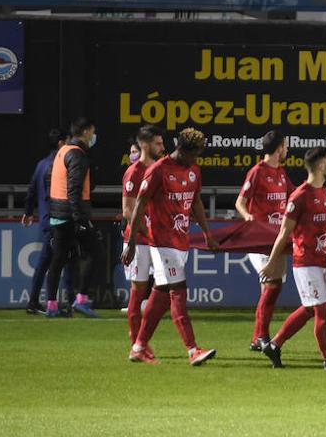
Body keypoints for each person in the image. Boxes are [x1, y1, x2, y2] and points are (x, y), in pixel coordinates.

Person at [257, 148, 326, 370]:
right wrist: (271, 262)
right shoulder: (299, 196)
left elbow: (324, 227)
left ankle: (274, 345)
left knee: (308, 308)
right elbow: (284, 234)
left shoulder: (323, 193)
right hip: (305, 262)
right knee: (322, 308)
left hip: (321, 260)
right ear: (321, 165)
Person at [123, 127, 220, 366]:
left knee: (162, 297)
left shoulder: (194, 170)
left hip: (181, 242)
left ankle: (138, 346)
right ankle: (192, 350)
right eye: (195, 154)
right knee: (179, 292)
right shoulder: (158, 171)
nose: (196, 159)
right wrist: (133, 242)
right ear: (184, 150)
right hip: (161, 242)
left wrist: (207, 233)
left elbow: (196, 201)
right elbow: (138, 206)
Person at [235, 129, 296, 349]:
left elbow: (294, 195)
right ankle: (261, 337)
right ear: (279, 148)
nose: (287, 149)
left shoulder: (280, 173)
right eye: (286, 145)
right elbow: (240, 202)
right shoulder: (257, 172)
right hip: (260, 239)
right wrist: (248, 216)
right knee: (270, 284)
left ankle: (257, 338)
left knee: (274, 286)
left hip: (277, 238)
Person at [46, 117, 100, 319]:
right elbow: (74, 190)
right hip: (73, 215)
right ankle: (82, 299)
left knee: (58, 259)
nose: (94, 136)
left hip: (58, 213)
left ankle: (51, 306)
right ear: (86, 132)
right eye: (93, 131)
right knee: (95, 253)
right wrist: (81, 220)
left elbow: (55, 180)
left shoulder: (63, 151)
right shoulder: (78, 154)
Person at [21, 128, 74, 315]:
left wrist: (28, 212)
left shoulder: (41, 164)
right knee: (63, 260)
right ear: (61, 143)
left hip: (46, 220)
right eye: (68, 140)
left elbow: (31, 191)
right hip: (57, 220)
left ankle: (34, 301)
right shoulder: (59, 165)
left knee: (46, 262)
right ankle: (69, 301)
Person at [121, 125, 164, 348]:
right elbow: (128, 210)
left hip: (159, 240)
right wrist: (147, 233)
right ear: (145, 145)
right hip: (139, 239)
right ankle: (136, 341)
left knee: (164, 289)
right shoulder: (134, 172)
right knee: (137, 292)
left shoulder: (160, 169)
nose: (163, 147)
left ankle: (142, 339)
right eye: (158, 143)